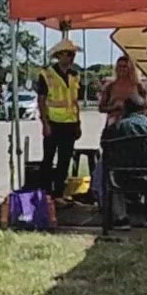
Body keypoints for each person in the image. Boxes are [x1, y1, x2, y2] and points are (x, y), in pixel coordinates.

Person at [104, 92, 147, 227]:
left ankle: (121, 218)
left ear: (125, 109)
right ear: (143, 109)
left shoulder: (117, 127)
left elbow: (105, 146)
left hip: (122, 178)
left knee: (109, 173)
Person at [36, 39, 84, 201]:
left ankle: (58, 193)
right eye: (68, 54)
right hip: (53, 123)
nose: (71, 57)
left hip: (70, 124)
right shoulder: (46, 74)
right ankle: (45, 192)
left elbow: (75, 102)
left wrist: (78, 123)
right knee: (48, 159)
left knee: (65, 159)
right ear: (59, 55)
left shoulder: (74, 75)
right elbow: (41, 100)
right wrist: (45, 123)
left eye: (73, 54)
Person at [100, 55, 146, 125]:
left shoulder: (138, 86)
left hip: (133, 124)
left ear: (131, 68)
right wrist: (114, 107)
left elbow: (145, 106)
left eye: (125, 66)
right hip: (113, 124)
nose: (121, 69)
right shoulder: (109, 86)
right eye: (119, 66)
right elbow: (101, 108)